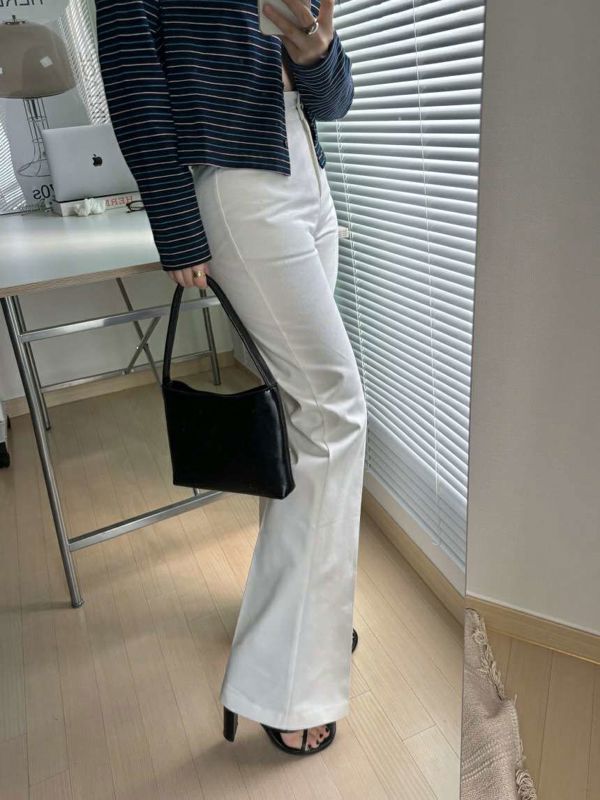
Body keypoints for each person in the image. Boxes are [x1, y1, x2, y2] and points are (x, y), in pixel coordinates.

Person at [95, 0, 367, 755]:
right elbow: (132, 75)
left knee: (306, 423)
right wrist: (175, 222)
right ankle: (285, 684)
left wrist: (315, 51)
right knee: (334, 413)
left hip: (306, 168)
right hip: (238, 183)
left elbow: (334, 101)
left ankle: (303, 620)